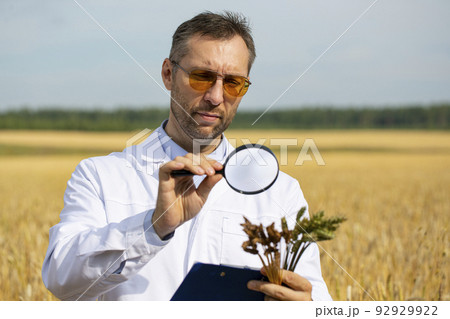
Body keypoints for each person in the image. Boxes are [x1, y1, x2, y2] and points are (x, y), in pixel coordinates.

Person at [42, 11, 332, 301]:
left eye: (233, 83)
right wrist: (154, 226)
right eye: (202, 77)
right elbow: (60, 279)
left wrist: (306, 307)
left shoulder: (282, 191)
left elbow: (315, 297)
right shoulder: (101, 176)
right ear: (168, 74)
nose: (216, 96)